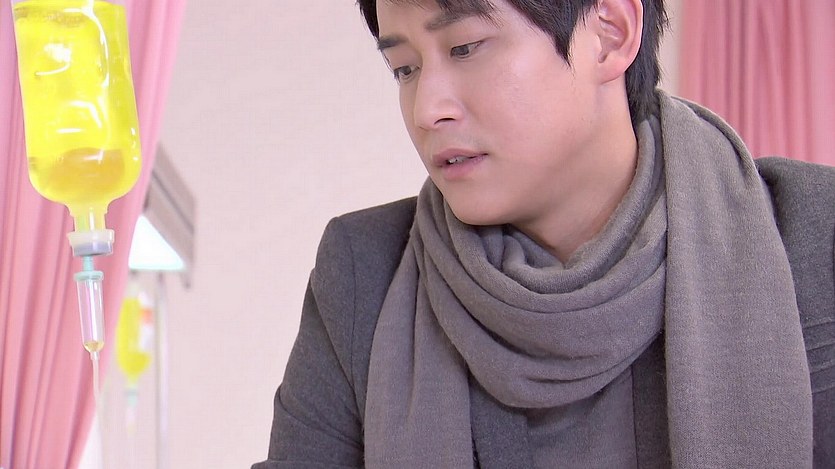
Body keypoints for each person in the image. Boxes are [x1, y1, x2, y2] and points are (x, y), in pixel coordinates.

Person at [253, 0, 835, 467]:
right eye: (405, 68)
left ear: (608, 34)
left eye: (465, 47)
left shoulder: (813, 237)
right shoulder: (365, 270)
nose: (427, 109)